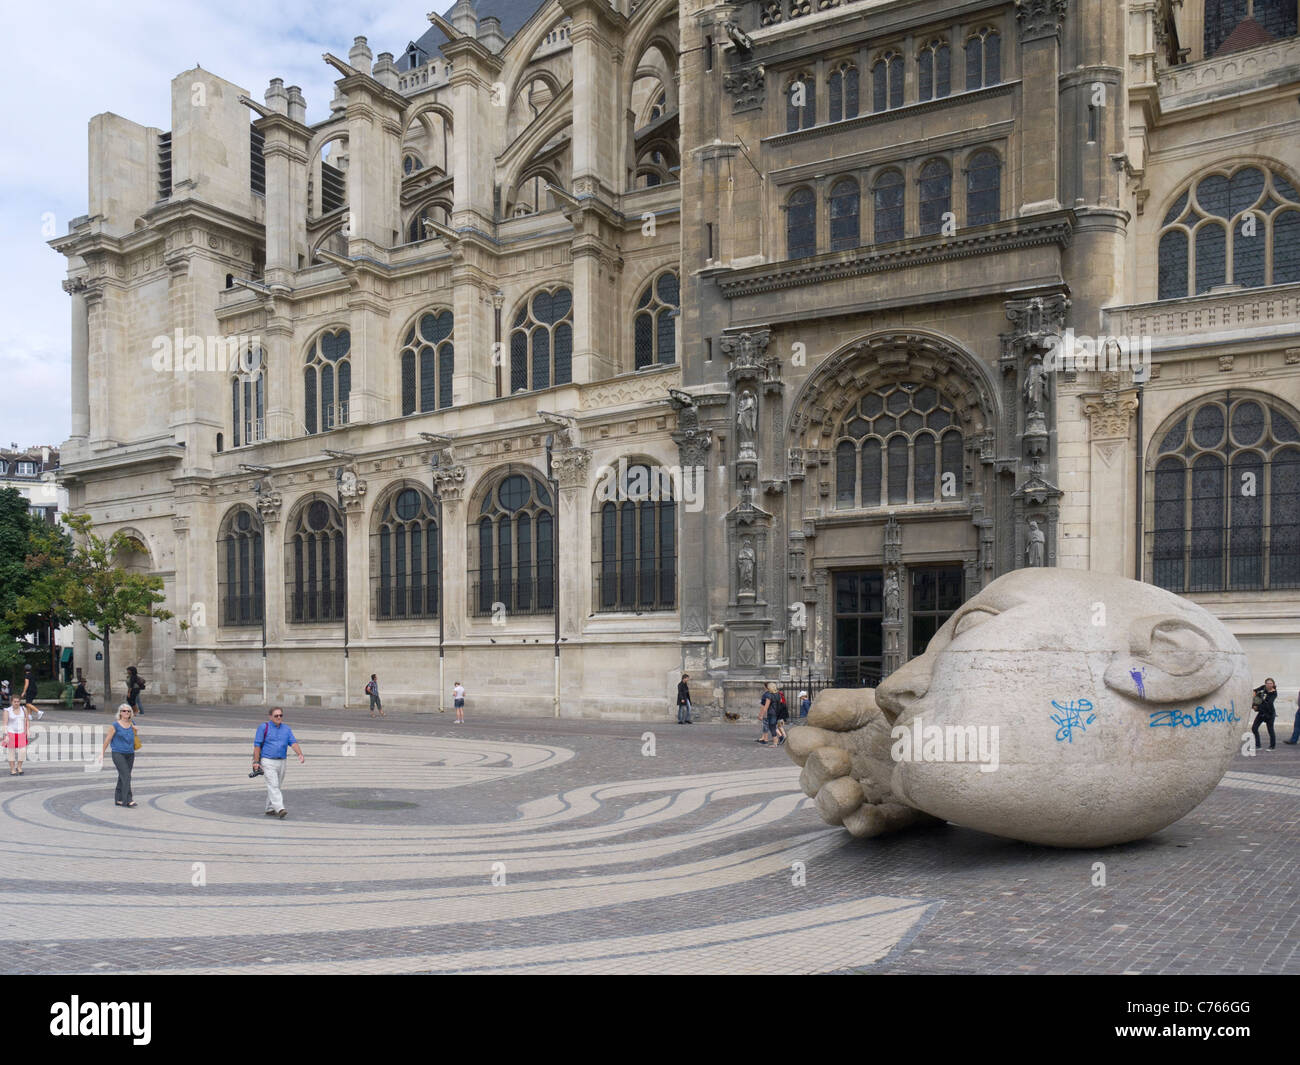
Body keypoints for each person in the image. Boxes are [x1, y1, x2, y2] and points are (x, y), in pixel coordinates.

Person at [252, 706, 304, 818]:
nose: (279, 717)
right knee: (273, 784)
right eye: (276, 715)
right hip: (267, 760)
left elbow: (293, 742)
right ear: (270, 716)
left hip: (282, 761)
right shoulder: (263, 727)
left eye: (281, 715)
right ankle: (280, 808)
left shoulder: (286, 729)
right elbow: (257, 745)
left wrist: (299, 753)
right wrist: (256, 761)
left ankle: (270, 808)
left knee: (277, 785)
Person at [97, 704, 139, 806]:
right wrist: (102, 753)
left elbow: (133, 738)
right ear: (120, 713)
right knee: (126, 776)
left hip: (130, 753)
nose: (127, 713)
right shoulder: (115, 725)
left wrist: (136, 731)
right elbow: (107, 740)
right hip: (118, 753)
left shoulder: (132, 723)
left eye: (129, 711)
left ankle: (118, 799)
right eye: (124, 711)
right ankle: (128, 799)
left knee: (122, 776)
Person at [4, 695, 30, 775]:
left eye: (18, 701)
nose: (16, 703)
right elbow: (5, 724)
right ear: (11, 702)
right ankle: (12, 769)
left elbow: (27, 720)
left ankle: (19, 767)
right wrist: (6, 735)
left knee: (22, 751)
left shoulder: (23, 709)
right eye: (14, 701)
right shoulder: (7, 710)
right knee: (11, 752)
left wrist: (28, 730)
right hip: (11, 733)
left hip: (21, 732)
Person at [1251, 678, 1278, 750]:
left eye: (1271, 683)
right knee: (1254, 728)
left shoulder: (1274, 693)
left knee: (1270, 730)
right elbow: (1254, 691)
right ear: (1265, 684)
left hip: (1270, 713)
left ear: (1273, 684)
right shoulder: (1263, 687)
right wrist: (1254, 700)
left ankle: (1272, 746)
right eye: (1268, 683)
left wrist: (1257, 708)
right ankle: (1258, 745)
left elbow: (1268, 704)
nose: (1269, 685)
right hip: (1262, 712)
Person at [757, 682, 780, 746]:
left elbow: (766, 707)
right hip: (777, 712)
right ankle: (776, 741)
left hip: (771, 713)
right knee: (773, 727)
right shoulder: (778, 694)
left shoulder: (769, 695)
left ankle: (775, 743)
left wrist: (761, 715)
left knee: (772, 727)